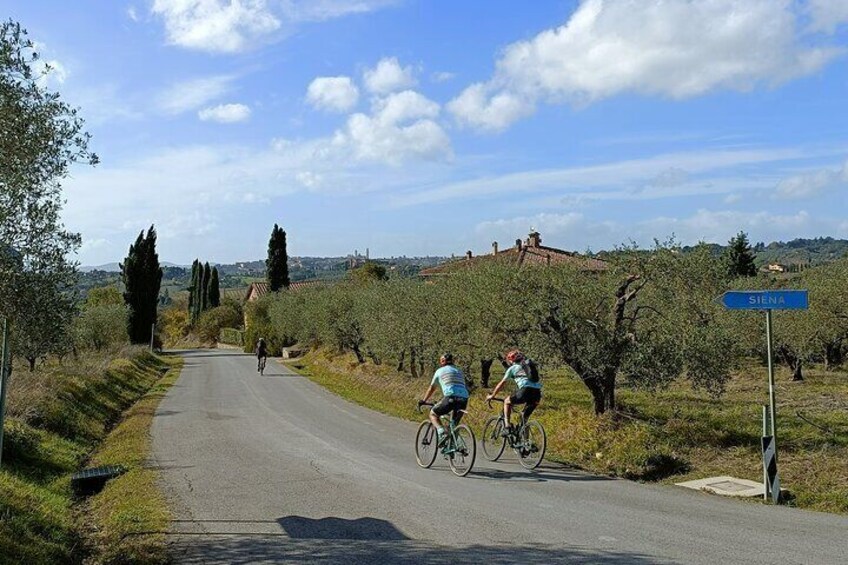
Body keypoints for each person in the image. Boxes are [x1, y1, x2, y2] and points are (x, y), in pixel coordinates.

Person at [486, 349, 542, 435]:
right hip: (537, 393)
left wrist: (493, 395)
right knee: (524, 419)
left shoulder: (512, 368)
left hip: (525, 391)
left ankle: (507, 427)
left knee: (507, 401)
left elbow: (501, 383)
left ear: (511, 360)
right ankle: (526, 443)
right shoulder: (528, 367)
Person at [418, 353, 469, 447]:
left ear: (442, 361)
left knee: (433, 413)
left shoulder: (439, 371)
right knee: (454, 426)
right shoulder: (459, 371)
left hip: (451, 397)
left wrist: (424, 400)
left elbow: (432, 388)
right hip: (464, 399)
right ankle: (457, 446)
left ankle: (441, 431)